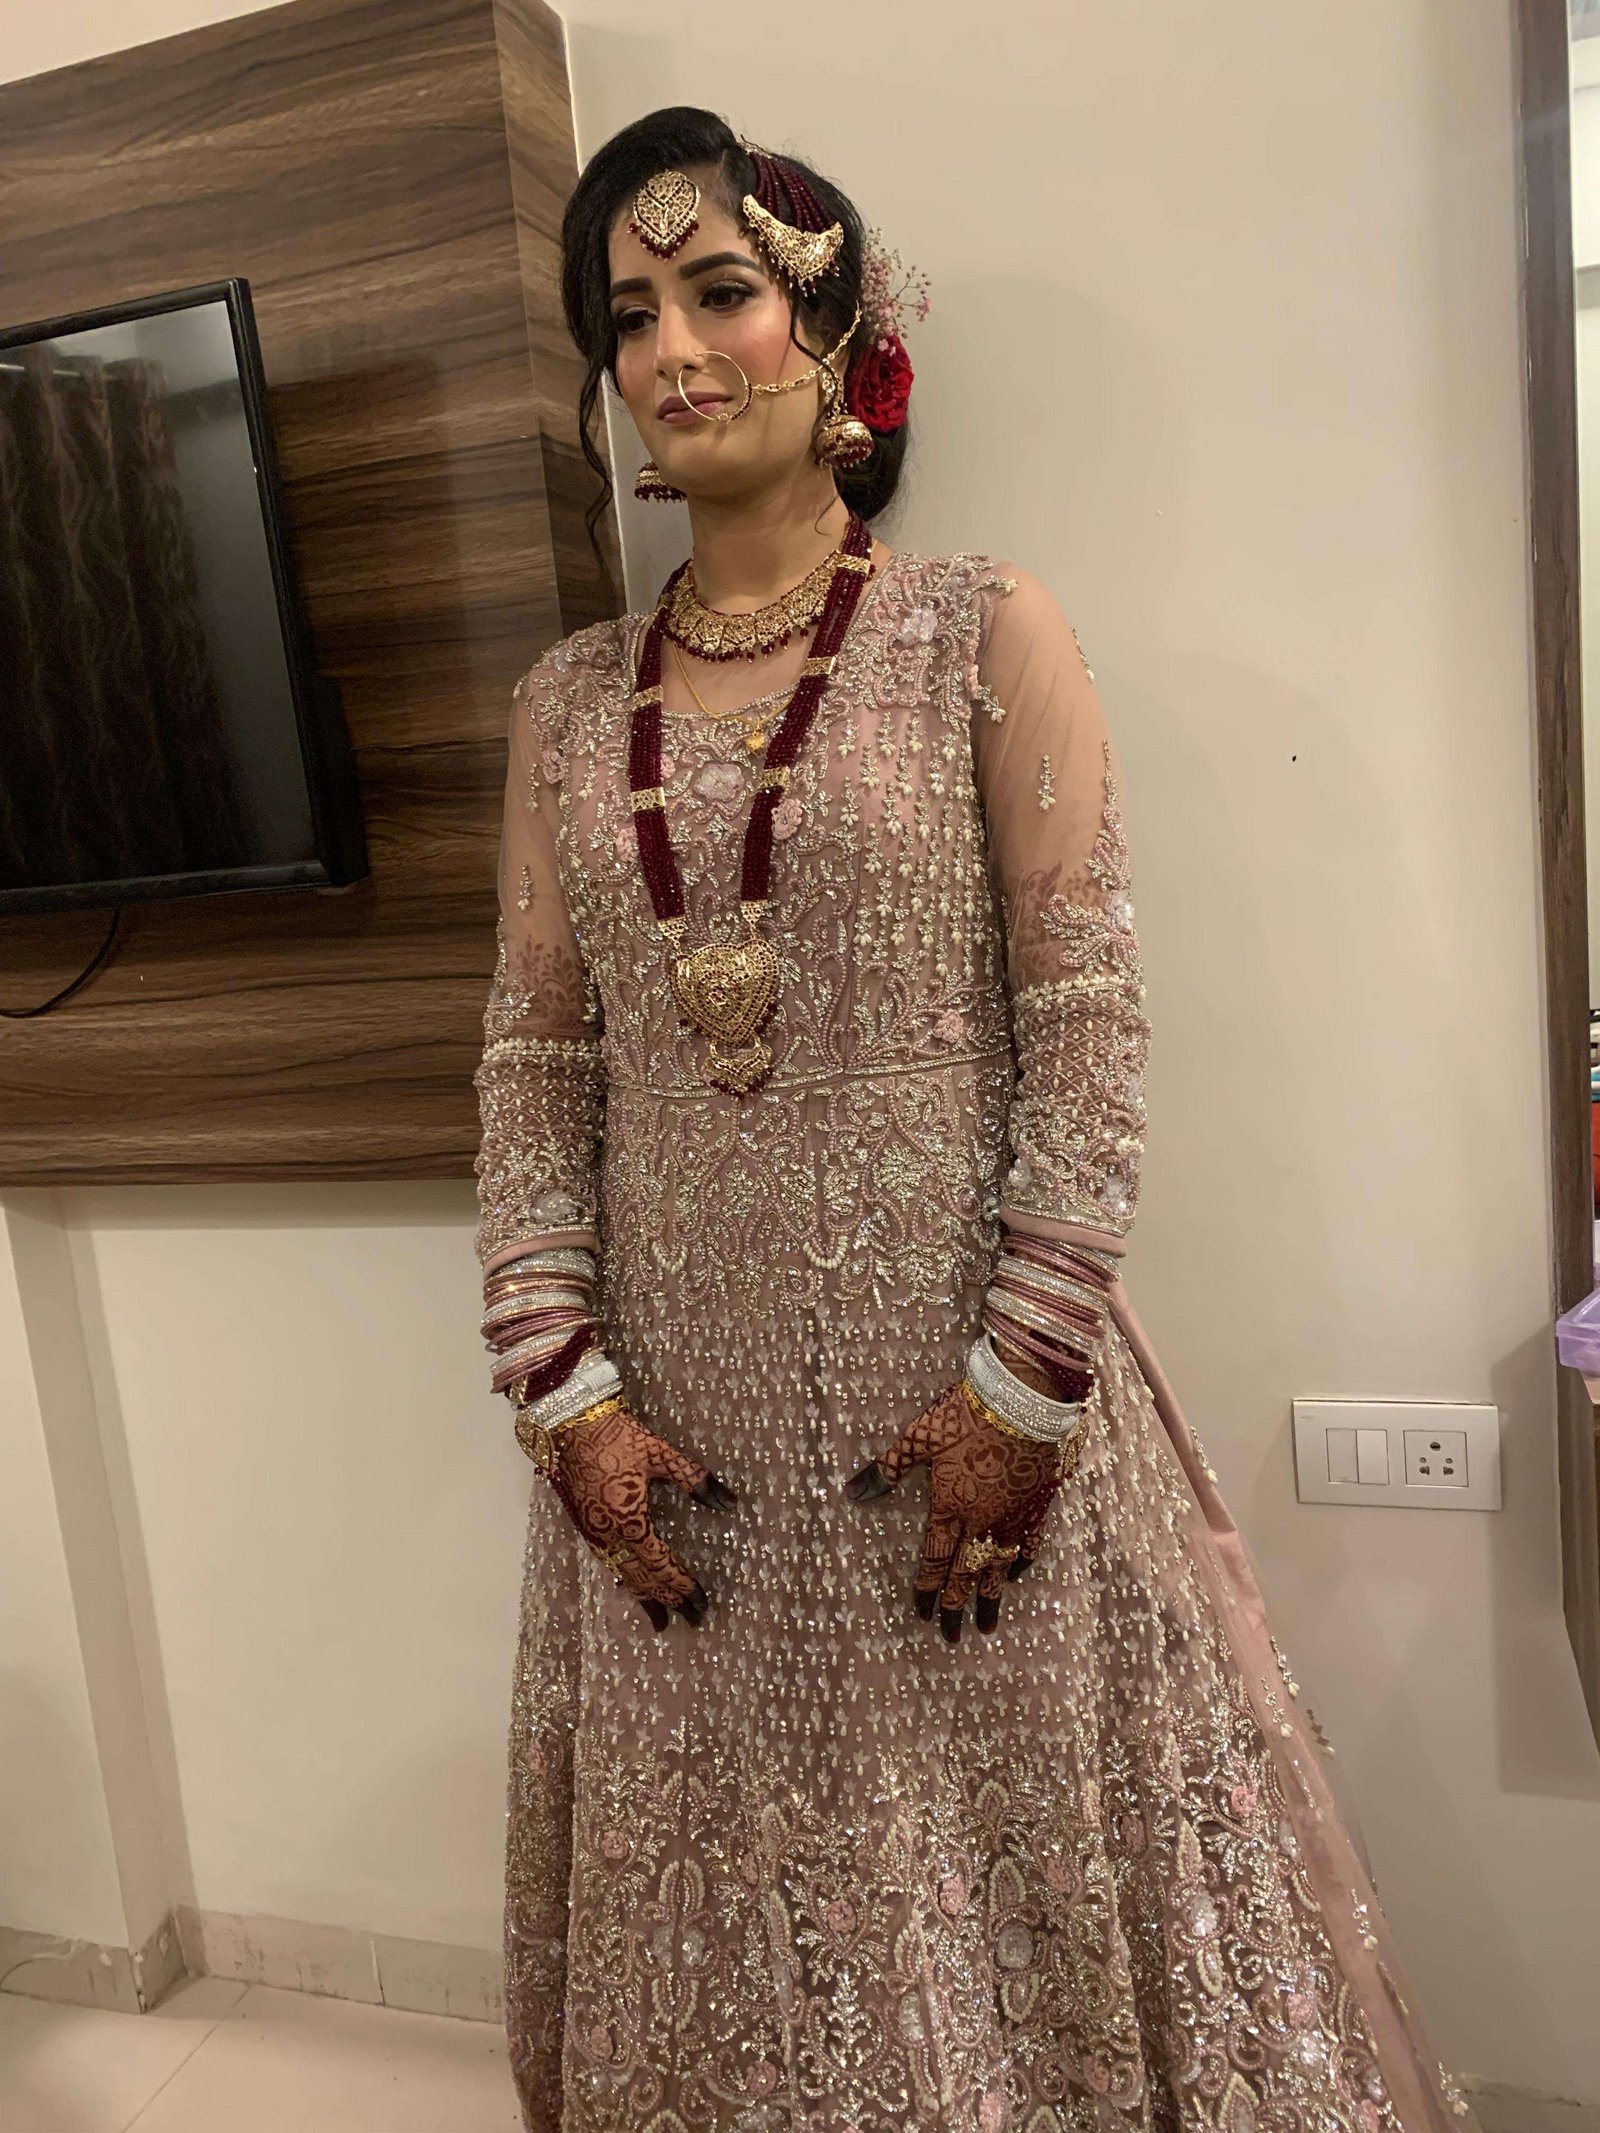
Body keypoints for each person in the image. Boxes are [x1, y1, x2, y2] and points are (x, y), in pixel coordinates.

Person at [471, 104, 1473, 2133]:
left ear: (842, 335)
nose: (673, 350)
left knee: (997, 1871)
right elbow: (536, 1061)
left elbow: (1085, 1023)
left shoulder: (976, 630)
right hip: (677, 1427)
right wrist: (557, 1380)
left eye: (722, 292)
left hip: (967, 1403)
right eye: (628, 315)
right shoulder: (568, 706)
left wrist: (1024, 1385)